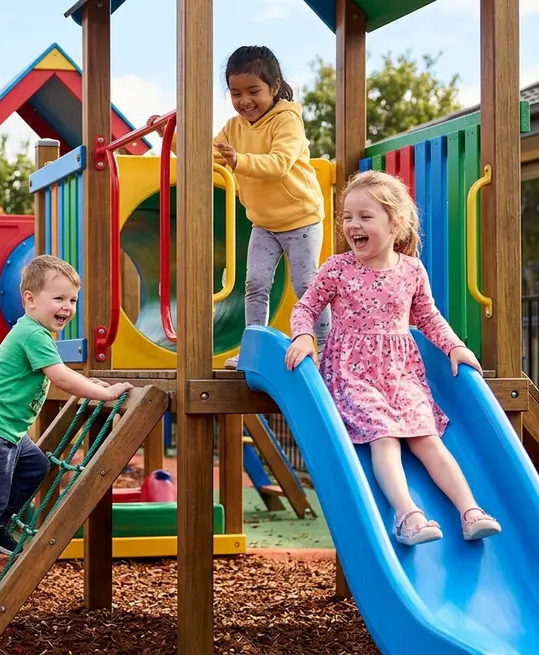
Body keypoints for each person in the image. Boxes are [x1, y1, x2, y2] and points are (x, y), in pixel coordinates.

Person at [285, 170, 502, 546]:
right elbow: (305, 308)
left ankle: (470, 510)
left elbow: (429, 317)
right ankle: (407, 515)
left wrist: (454, 346)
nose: (353, 225)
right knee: (384, 436)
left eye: (365, 217)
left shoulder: (412, 271)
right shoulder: (337, 269)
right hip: (352, 375)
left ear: (395, 222)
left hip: (402, 375)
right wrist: (304, 336)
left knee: (427, 438)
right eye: (348, 217)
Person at [0, 255, 132, 603]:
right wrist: (104, 391)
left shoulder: (35, 332)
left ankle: (0, 525)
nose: (67, 307)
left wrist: (91, 384)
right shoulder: (33, 334)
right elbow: (61, 376)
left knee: (36, 465)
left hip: (6, 432)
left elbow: (60, 375)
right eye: (59, 298)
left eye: (72, 300)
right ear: (30, 299)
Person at [148, 45, 331, 367]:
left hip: (301, 218)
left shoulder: (287, 121)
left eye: (253, 91)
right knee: (255, 284)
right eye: (235, 93)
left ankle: (329, 351)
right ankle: (254, 351)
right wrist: (171, 138)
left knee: (305, 285)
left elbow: (279, 164)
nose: (244, 100)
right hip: (263, 222)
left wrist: (239, 160)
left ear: (274, 87)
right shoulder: (234, 127)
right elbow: (205, 154)